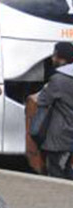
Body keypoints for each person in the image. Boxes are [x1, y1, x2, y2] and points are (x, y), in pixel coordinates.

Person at [34, 42, 73, 178]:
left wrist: (45, 88)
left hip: (60, 137)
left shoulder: (59, 80)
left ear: (61, 58)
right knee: (67, 170)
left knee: (56, 173)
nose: (52, 58)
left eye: (54, 55)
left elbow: (42, 100)